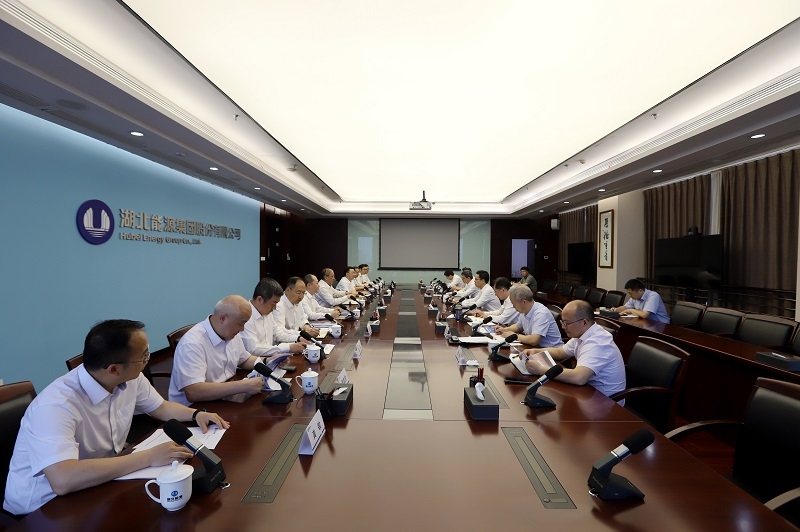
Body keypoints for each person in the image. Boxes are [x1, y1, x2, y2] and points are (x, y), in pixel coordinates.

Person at [3, 320, 229, 515]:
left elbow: (159, 407)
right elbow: (62, 480)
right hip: (44, 506)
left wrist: (196, 414)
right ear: (113, 369)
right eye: (144, 356)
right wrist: (148, 457)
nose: (148, 360)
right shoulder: (55, 406)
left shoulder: (128, 378)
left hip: (101, 479)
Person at [169, 295, 267, 406]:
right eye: (241, 323)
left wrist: (267, 361)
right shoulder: (192, 344)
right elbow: (194, 392)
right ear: (222, 318)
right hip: (195, 407)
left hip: (225, 394)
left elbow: (244, 360)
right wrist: (244, 386)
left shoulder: (230, 332)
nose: (242, 329)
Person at [523, 300, 625, 398]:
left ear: (584, 322)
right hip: (587, 391)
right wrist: (536, 351)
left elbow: (579, 377)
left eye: (567, 323)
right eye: (562, 322)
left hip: (605, 400)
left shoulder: (597, 342)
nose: (563, 327)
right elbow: (560, 352)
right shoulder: (582, 333)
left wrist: (540, 369)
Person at [241, 277, 308, 358]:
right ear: (260, 300)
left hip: (271, 358)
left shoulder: (267, 313)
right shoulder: (246, 317)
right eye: (273, 303)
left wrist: (298, 338)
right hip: (255, 363)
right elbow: (254, 349)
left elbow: (278, 333)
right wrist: (288, 347)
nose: (275, 308)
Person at [495, 284, 563, 347]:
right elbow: (518, 326)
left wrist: (514, 336)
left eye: (514, 304)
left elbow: (534, 340)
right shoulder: (524, 310)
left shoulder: (541, 313)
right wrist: (505, 330)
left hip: (552, 352)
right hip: (536, 349)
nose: (513, 306)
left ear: (524, 302)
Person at [271, 276, 319, 342]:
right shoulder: (279, 305)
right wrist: (302, 334)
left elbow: (302, 318)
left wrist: (306, 326)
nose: (301, 296)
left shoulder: (298, 301)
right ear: (288, 291)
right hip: (284, 343)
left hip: (297, 340)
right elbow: (280, 333)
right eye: (298, 293)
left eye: (303, 293)